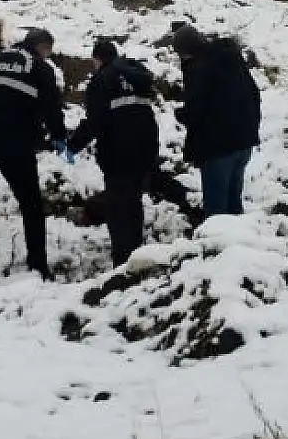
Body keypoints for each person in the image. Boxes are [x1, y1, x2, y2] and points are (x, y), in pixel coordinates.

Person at [0, 27, 67, 278]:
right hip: (14, 145)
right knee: (31, 206)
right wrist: (59, 137)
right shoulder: (39, 68)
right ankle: (38, 266)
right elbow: (51, 107)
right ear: (42, 47)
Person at [68, 38, 160, 266]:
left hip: (118, 152)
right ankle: (137, 256)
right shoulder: (136, 75)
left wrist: (72, 145)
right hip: (145, 147)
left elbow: (96, 120)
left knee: (118, 207)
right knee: (134, 203)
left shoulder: (102, 79)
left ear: (97, 59)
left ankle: (123, 264)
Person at [172, 24, 261, 217]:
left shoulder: (200, 67)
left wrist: (180, 114)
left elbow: (195, 109)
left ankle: (218, 237)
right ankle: (239, 235)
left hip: (218, 147)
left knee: (216, 211)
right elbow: (254, 93)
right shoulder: (231, 58)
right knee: (234, 205)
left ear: (187, 51)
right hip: (244, 141)